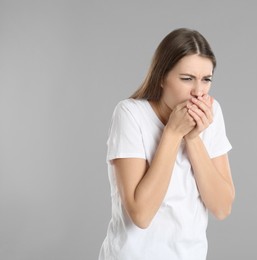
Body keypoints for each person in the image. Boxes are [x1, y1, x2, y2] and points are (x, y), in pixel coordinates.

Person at [99, 28, 235, 260]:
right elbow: (141, 215)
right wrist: (172, 134)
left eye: (206, 80)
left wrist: (192, 138)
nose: (198, 92)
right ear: (161, 77)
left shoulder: (212, 113)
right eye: (187, 79)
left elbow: (222, 208)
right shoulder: (130, 114)